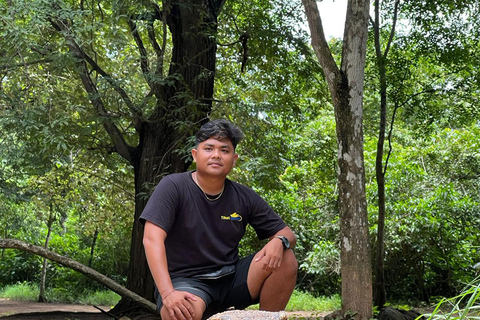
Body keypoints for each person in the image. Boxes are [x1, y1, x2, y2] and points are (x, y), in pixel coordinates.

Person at [140, 119, 298, 320]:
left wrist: (279, 241)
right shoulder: (173, 187)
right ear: (195, 155)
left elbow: (288, 235)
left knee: (286, 257)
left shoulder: (244, 196)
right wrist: (168, 293)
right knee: (179, 313)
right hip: (188, 283)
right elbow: (152, 239)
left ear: (234, 158)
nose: (216, 155)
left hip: (231, 279)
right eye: (209, 148)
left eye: (224, 150)